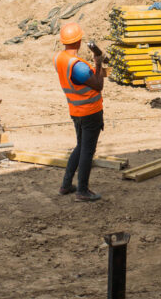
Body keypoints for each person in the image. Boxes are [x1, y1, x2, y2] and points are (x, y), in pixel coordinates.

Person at [54, 22, 105, 202]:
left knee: (80, 146)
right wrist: (98, 64)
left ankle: (66, 185)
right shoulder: (78, 66)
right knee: (87, 151)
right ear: (79, 41)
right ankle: (82, 190)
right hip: (90, 112)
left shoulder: (60, 59)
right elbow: (98, 85)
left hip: (75, 110)